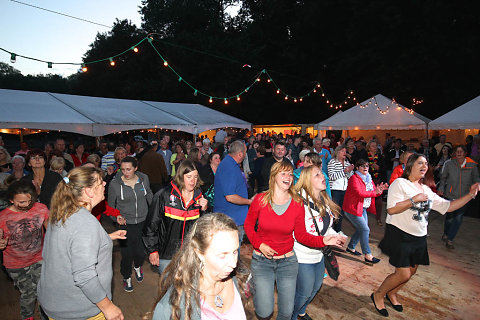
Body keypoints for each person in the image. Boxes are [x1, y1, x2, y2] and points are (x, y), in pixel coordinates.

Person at [372, 153, 480, 317]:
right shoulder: (400, 183)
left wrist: (471, 195)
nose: (425, 166)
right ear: (410, 166)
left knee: (412, 272)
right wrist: (414, 200)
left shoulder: (426, 190)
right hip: (400, 233)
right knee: (403, 273)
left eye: (426, 164)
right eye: (420, 163)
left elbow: (448, 207)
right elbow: (391, 209)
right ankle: (378, 294)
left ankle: (392, 293)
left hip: (419, 236)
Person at [244, 161, 345, 320]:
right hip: (262, 261)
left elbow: (301, 236)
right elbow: (248, 226)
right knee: (264, 311)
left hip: (287, 262)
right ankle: (256, 286)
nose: (288, 177)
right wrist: (259, 244)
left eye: (290, 174)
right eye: (283, 173)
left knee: (287, 311)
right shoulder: (261, 199)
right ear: (274, 176)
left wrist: (324, 240)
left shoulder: (297, 203)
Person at [37, 166, 126, 320]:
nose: (105, 184)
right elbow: (84, 276)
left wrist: (106, 237)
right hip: (78, 309)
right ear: (88, 191)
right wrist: (107, 306)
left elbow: (69, 245)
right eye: (100, 183)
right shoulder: (85, 223)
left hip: (56, 302)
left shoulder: (62, 212)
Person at [152, 213, 247, 320]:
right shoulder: (172, 306)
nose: (233, 264)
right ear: (199, 253)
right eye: (223, 255)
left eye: (234, 252)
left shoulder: (236, 279)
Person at [292, 165, 341, 320]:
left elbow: (326, 227)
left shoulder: (324, 199)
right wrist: (324, 240)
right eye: (318, 175)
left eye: (322, 174)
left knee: (315, 288)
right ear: (307, 180)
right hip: (302, 256)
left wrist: (335, 236)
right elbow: (300, 235)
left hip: (319, 254)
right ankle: (291, 316)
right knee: (304, 292)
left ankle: (301, 311)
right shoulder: (299, 202)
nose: (323, 177)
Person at [143, 160, 207, 275]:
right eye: (189, 177)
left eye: (195, 177)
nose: (193, 181)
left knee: (188, 289)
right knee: (169, 289)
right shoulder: (164, 195)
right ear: (181, 177)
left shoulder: (200, 198)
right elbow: (151, 224)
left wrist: (204, 210)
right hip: (167, 256)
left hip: (190, 255)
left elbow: (203, 229)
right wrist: (152, 250)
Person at [0, 181, 49, 320]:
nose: (26, 205)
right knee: (28, 293)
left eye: (29, 201)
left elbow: (51, 229)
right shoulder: (3, 217)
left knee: (42, 290)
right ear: (11, 200)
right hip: (16, 264)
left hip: (39, 258)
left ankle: (45, 316)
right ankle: (27, 317)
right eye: (21, 202)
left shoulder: (40, 208)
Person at [108, 156, 153, 292]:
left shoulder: (144, 179)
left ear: (136, 168)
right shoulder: (115, 184)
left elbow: (149, 194)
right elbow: (110, 207)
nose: (125, 172)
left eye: (129, 169)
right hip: (125, 223)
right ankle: (126, 276)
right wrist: (117, 217)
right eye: (123, 170)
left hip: (143, 221)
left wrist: (154, 212)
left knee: (140, 252)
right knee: (127, 254)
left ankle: (138, 267)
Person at [343, 159, 388, 263]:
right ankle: (368, 255)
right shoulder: (354, 178)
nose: (365, 167)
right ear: (358, 168)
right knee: (365, 230)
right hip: (352, 208)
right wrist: (375, 192)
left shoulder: (368, 178)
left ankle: (351, 247)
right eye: (362, 166)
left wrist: (380, 190)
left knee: (361, 229)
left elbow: (374, 192)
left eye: (367, 166)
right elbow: (360, 193)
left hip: (362, 207)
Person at [438, 145, 480, 249]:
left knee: (458, 218)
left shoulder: (472, 166)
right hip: (450, 195)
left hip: (464, 197)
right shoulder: (449, 164)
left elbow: (476, 179)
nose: (459, 153)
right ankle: (446, 233)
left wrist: (476, 186)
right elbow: (443, 178)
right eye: (457, 151)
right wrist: (442, 188)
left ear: (465, 153)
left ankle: (450, 240)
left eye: (461, 151)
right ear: (454, 153)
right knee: (450, 217)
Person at [328, 145, 354, 234]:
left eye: (345, 151)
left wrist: (350, 171)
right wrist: (345, 171)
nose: (344, 153)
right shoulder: (332, 162)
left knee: (341, 211)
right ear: (337, 152)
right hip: (335, 189)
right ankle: (331, 229)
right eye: (342, 151)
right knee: (334, 210)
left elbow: (348, 177)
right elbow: (331, 177)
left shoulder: (346, 163)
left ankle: (338, 229)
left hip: (344, 189)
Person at [366, 140, 387, 226]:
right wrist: (371, 167)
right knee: (366, 200)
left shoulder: (380, 156)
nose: (375, 148)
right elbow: (361, 167)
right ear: (369, 147)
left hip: (378, 180)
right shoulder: (365, 156)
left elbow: (384, 169)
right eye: (373, 146)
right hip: (367, 181)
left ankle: (378, 218)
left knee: (378, 201)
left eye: (376, 146)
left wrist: (378, 168)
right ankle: (364, 219)